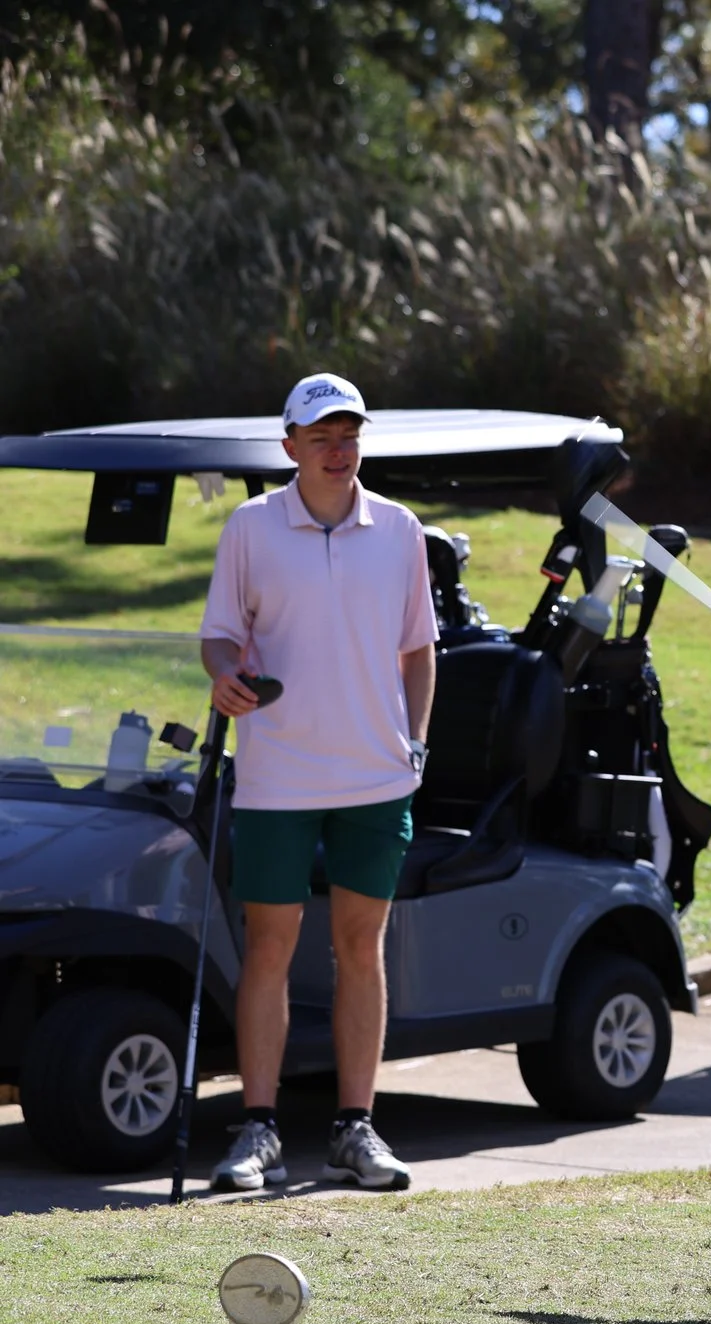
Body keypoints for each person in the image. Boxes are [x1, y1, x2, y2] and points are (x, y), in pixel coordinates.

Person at [200, 372, 437, 1192]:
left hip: (376, 776)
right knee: (269, 948)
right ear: (290, 446)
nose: (339, 451)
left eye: (350, 435)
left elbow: (419, 650)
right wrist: (226, 674)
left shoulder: (400, 529)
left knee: (359, 947)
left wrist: (415, 742)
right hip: (276, 774)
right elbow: (220, 638)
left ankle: (354, 1128)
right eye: (323, 437)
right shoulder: (251, 527)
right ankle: (258, 1129)